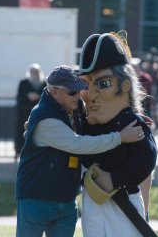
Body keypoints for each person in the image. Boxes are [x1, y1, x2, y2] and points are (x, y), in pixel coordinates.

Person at [15, 65, 145, 237]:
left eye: (79, 89)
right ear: (54, 91)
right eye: (72, 92)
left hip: (66, 200)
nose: (78, 96)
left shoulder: (73, 107)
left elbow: (100, 117)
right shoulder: (44, 116)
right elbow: (78, 144)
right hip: (36, 200)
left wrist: (134, 116)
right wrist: (120, 137)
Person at [76, 32, 157, 237]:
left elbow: (146, 157)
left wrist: (115, 178)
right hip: (93, 205)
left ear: (124, 85)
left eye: (102, 84)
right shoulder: (83, 125)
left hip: (123, 203)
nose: (91, 94)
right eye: (86, 84)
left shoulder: (131, 123)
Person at [14, 63, 46, 160]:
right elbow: (19, 97)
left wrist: (37, 96)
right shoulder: (24, 83)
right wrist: (28, 96)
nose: (34, 74)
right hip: (23, 114)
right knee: (21, 134)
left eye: (36, 72)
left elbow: (46, 97)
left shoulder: (44, 83)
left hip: (38, 115)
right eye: (32, 72)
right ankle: (18, 152)